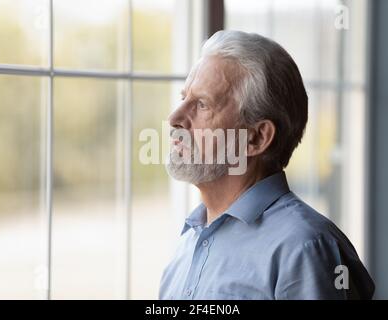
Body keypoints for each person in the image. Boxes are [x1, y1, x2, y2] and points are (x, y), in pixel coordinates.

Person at [159, 30, 375, 300]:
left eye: (202, 105)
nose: (175, 118)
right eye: (184, 99)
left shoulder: (304, 249)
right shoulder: (189, 242)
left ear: (257, 137)